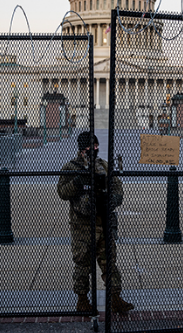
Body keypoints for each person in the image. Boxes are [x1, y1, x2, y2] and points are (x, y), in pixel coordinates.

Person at [57, 132, 134, 314]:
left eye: (96, 146)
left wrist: (113, 199)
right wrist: (77, 182)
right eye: (90, 147)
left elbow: (117, 186)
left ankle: (115, 299)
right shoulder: (70, 167)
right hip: (83, 226)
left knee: (110, 263)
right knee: (83, 264)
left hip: (104, 222)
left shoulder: (104, 166)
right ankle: (82, 301)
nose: (94, 150)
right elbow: (62, 192)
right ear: (82, 148)